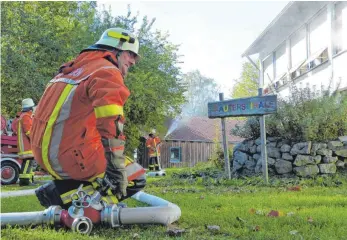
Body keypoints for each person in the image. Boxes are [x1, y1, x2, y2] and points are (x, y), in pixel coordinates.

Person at [32, 28, 146, 208]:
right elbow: (111, 121)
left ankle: (61, 189)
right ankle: (69, 203)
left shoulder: (70, 70)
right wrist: (116, 166)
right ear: (115, 49)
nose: (133, 61)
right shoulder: (107, 71)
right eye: (130, 54)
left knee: (103, 170)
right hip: (71, 157)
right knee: (135, 177)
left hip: (44, 154)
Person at [17, 98, 36, 186]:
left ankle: (29, 180)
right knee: (28, 162)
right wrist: (36, 139)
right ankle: (24, 181)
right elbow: (28, 131)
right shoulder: (26, 116)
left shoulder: (24, 115)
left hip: (26, 144)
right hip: (27, 144)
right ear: (30, 108)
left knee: (29, 163)